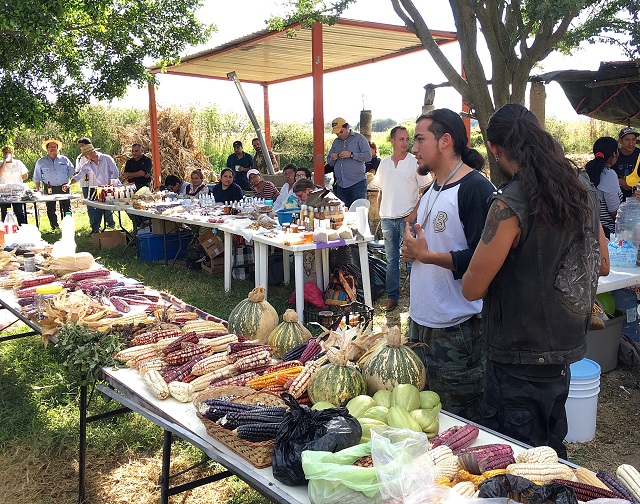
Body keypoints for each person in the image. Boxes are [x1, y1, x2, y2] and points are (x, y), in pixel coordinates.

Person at [461, 103, 602, 459]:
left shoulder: (508, 204)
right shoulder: (580, 189)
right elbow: (601, 263)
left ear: (494, 147)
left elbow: (472, 287)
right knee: (551, 455)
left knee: (517, 464)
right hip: (563, 353)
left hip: (518, 356)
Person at [401, 109, 494, 422]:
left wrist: (428, 256)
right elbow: (434, 245)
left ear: (445, 141)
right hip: (422, 324)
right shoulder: (434, 189)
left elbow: (486, 261)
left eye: (419, 139)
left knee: (460, 421)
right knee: (425, 419)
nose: (412, 148)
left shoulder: (475, 189)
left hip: (458, 329)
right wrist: (414, 252)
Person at [371, 126, 430, 311]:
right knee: (391, 260)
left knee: (412, 259)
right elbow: (380, 189)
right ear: (392, 141)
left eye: (407, 139)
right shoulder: (384, 163)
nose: (406, 143)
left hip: (408, 218)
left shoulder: (415, 162)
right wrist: (381, 210)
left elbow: (426, 189)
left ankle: (417, 296)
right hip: (388, 218)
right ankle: (392, 297)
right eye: (402, 139)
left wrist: (415, 212)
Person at [71, 142, 119, 234]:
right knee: (98, 208)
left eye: (86, 155)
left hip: (114, 188)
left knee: (124, 207)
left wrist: (110, 185)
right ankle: (95, 230)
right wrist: (69, 184)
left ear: (91, 153)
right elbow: (79, 175)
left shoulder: (106, 158)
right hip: (102, 189)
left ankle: (138, 224)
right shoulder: (89, 164)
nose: (85, 157)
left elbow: (115, 173)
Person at [326, 117, 371, 208]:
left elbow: (368, 156)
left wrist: (351, 155)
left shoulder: (359, 139)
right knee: (343, 212)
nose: (339, 135)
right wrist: (333, 158)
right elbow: (329, 161)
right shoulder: (336, 142)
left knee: (359, 211)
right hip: (341, 184)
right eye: (336, 133)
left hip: (357, 183)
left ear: (348, 127)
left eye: (341, 132)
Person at [33, 139, 75, 230]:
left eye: (54, 147)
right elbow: (37, 177)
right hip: (49, 188)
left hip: (64, 186)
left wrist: (69, 184)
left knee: (66, 207)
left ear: (57, 148)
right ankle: (55, 227)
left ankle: (67, 227)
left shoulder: (64, 159)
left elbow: (72, 172)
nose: (52, 148)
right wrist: (38, 189)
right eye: (50, 147)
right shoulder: (41, 161)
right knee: (51, 208)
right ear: (47, 149)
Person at [585, 137, 622, 239]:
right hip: (606, 232)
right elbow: (615, 212)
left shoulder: (588, 170)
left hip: (591, 228)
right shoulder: (609, 174)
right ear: (614, 154)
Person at [0, 146, 28, 225]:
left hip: (17, 192)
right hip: (4, 193)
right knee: (5, 212)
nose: (8, 154)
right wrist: (5, 161)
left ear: (13, 153)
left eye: (9, 152)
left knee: (20, 212)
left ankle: (22, 228)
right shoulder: (1, 163)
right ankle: (6, 230)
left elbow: (25, 175)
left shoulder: (18, 163)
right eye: (5, 152)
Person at [75, 137, 97, 226]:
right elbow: (77, 169)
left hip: (95, 183)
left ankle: (110, 223)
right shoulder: (79, 157)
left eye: (83, 146)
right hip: (85, 183)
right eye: (80, 146)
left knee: (102, 203)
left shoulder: (96, 155)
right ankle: (93, 223)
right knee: (89, 204)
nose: (81, 148)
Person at [613, 127, 640, 199]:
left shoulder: (639, 154)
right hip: (615, 197)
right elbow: (604, 174)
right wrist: (618, 181)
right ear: (620, 141)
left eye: (633, 140)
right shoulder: (613, 155)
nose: (631, 143)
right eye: (627, 140)